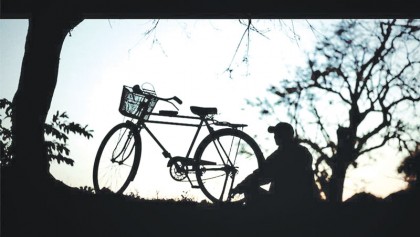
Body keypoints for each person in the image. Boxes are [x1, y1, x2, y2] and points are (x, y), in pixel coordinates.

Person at [231, 122, 319, 206]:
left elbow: (262, 175)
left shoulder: (281, 154)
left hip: (283, 202)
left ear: (283, 136)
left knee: (249, 188)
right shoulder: (304, 151)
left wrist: (240, 187)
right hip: (307, 199)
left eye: (277, 134)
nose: (275, 136)